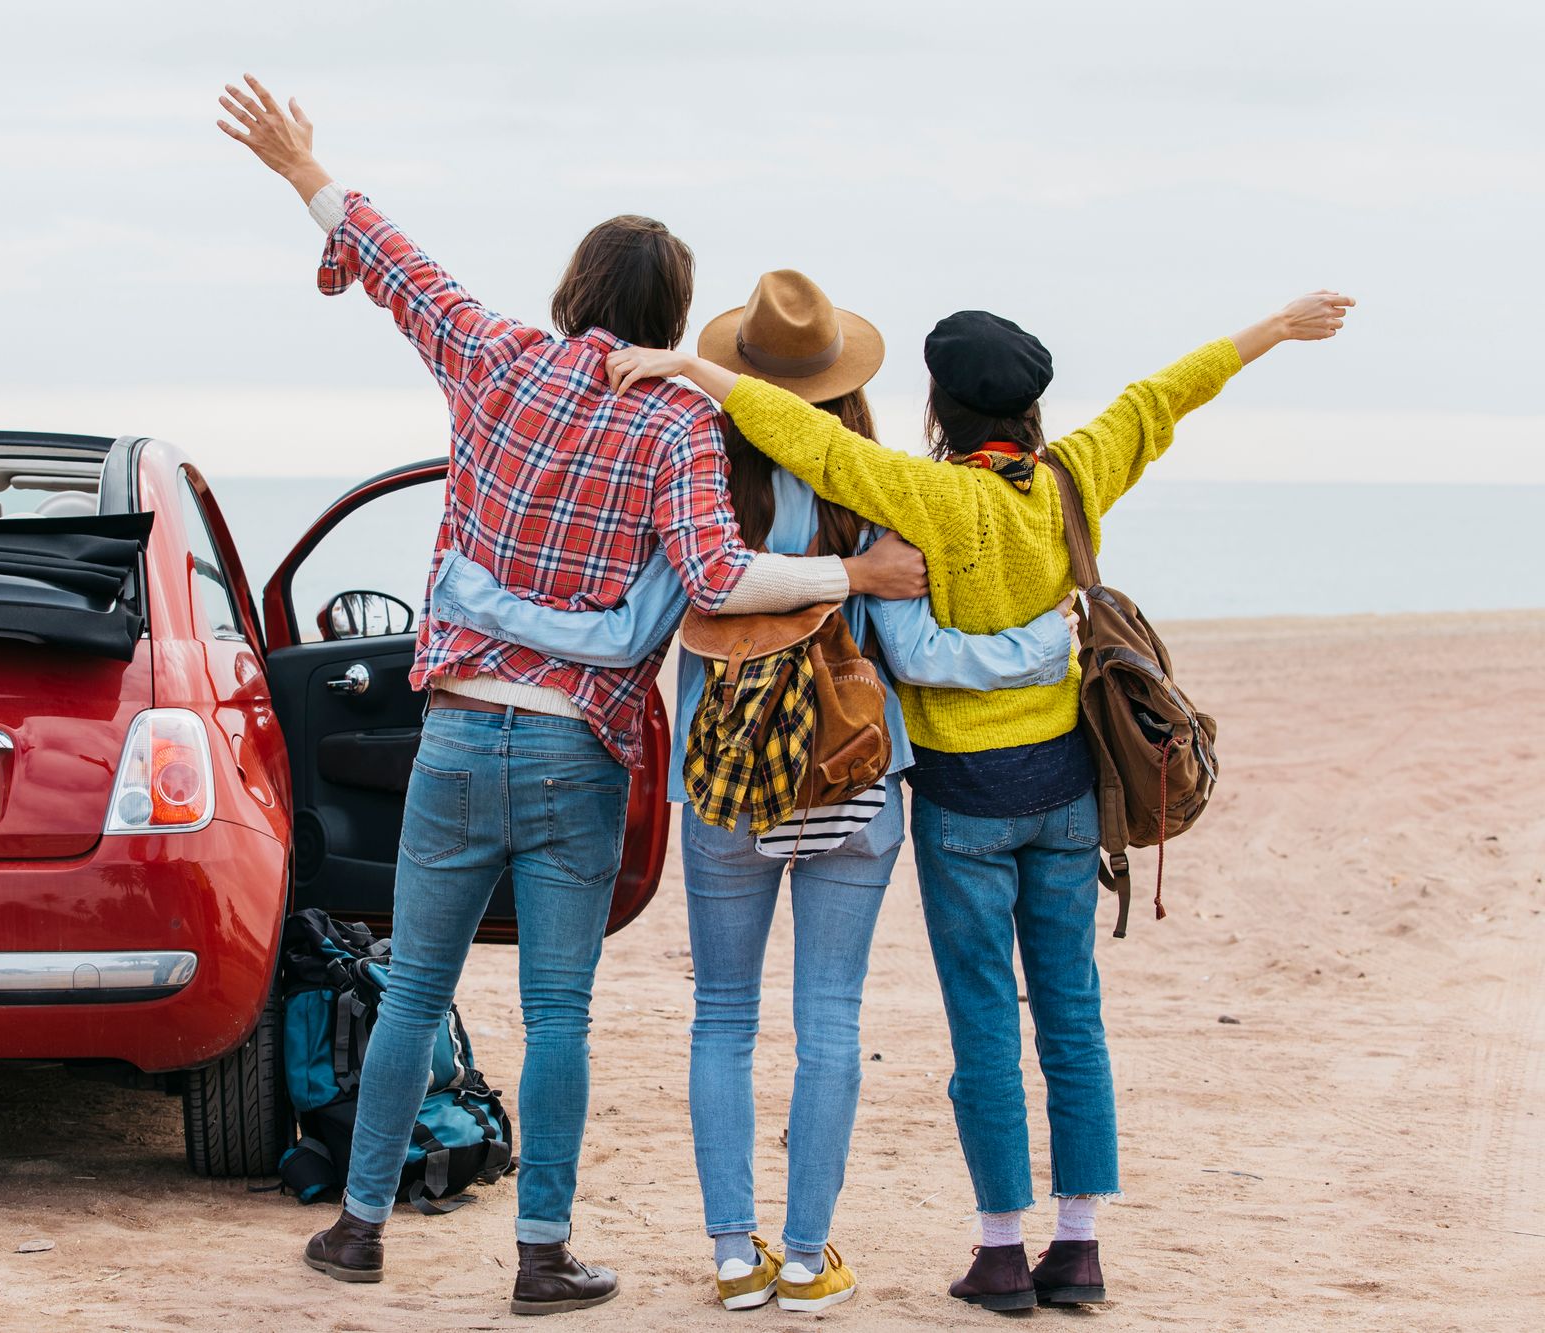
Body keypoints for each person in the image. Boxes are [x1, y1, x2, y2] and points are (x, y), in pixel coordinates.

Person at [215, 78, 926, 1317]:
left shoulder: (492, 358)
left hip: (450, 736)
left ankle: (359, 1228)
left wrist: (302, 170)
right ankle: (540, 1254)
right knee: (557, 1013)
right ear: (672, 320)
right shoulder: (672, 425)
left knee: (414, 991)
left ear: (571, 291)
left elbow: (395, 264)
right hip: (572, 753)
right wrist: (852, 571)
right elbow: (714, 575)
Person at [604, 289, 1355, 1311]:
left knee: (981, 1028)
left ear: (936, 409)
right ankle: (1078, 1244)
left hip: (961, 807)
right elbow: (1161, 398)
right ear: (1031, 411)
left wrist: (697, 371)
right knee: (1072, 1017)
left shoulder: (922, 495)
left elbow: (801, 438)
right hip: (1065, 795)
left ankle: (1000, 1249)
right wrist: (1270, 329)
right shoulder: (1071, 478)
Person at [426, 270, 1079, 1314]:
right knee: (829, 1018)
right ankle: (809, 1254)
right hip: (854, 784)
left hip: (726, 784)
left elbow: (647, 610)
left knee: (721, 1017)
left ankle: (735, 1255)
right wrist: (1045, 642)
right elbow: (912, 645)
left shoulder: (696, 465)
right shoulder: (876, 487)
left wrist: (475, 599)